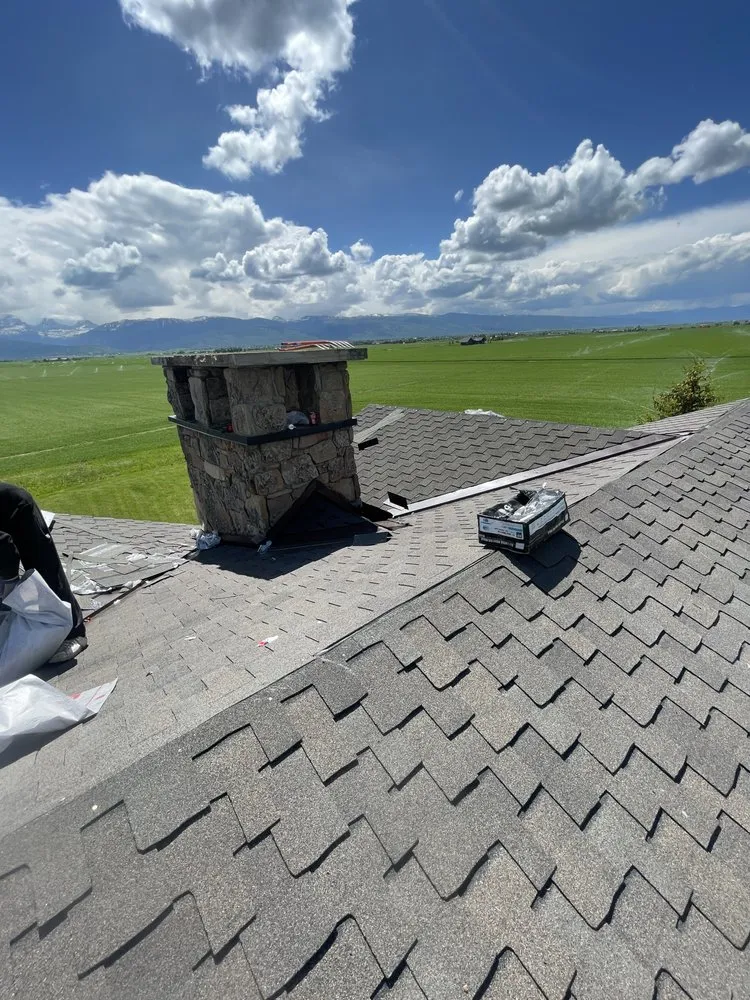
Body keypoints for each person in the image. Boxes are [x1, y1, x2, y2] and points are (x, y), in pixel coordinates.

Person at [0, 482, 87, 664]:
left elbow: (6, 549)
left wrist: (8, 588)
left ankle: (74, 634)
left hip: (17, 510)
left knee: (47, 571)